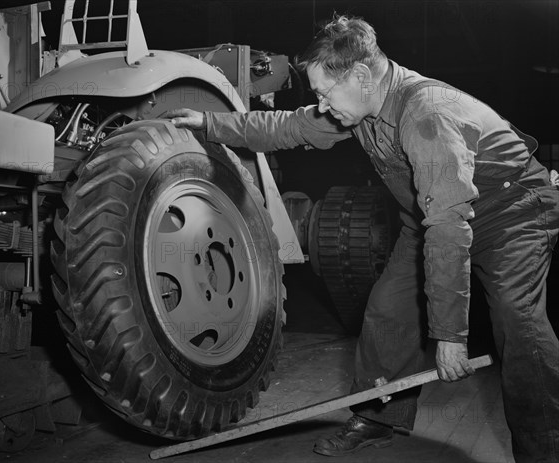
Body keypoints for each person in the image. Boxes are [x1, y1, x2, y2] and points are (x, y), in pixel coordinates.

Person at [168, 15, 559, 463]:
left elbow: (449, 228)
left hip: (513, 212)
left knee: (516, 316)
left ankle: (544, 447)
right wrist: (209, 123)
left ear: (359, 76)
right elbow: (288, 127)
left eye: (323, 92)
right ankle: (379, 418)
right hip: (431, 215)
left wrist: (451, 334)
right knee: (387, 310)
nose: (320, 103)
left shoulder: (426, 115)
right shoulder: (357, 108)